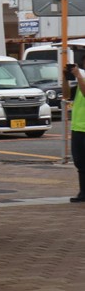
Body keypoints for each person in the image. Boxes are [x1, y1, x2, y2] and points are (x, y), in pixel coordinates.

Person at [68, 57, 85, 202]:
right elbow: (66, 95)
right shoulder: (81, 81)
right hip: (78, 127)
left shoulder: (82, 79)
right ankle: (83, 193)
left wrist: (79, 76)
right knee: (80, 162)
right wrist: (65, 79)